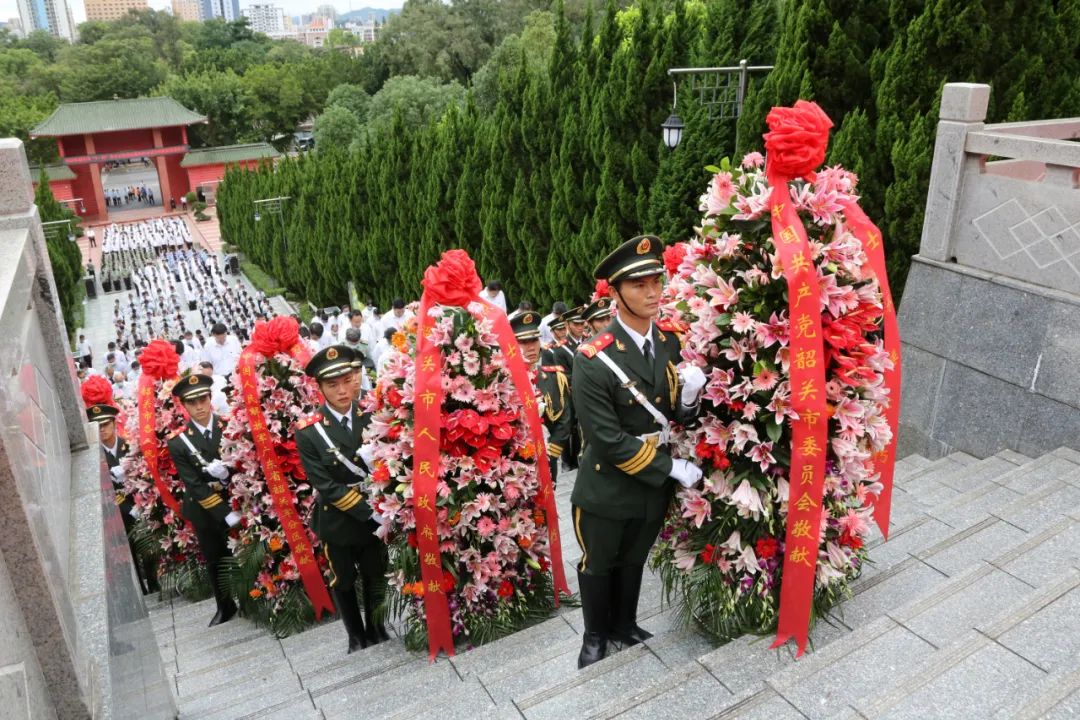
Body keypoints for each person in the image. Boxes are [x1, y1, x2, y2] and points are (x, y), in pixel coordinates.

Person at [570, 235, 708, 669]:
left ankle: (624, 624)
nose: (652, 293)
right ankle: (594, 636)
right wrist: (672, 467)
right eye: (639, 285)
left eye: (656, 281)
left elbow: (675, 418)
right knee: (599, 561)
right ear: (615, 293)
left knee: (635, 556)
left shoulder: (670, 341)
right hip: (609, 485)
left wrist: (689, 397)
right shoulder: (593, 358)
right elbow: (607, 438)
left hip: (652, 486)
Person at [295, 345, 389, 653]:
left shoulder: (374, 414)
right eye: (332, 384)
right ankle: (355, 636)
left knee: (376, 572)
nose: (342, 390)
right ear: (319, 388)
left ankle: (377, 627)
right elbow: (325, 484)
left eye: (348, 380)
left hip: (376, 511)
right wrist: (369, 511)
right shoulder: (309, 432)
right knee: (344, 579)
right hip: (338, 519)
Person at [166, 375, 241, 627]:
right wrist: (222, 512)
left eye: (203, 399)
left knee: (243, 552)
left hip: (236, 499)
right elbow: (193, 484)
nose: (199, 406)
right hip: (204, 508)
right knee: (214, 557)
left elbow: (243, 463)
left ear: (210, 398)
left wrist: (228, 476)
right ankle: (224, 605)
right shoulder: (178, 441)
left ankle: (253, 598)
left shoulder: (230, 425)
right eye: (192, 402)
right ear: (184, 406)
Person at [87, 402, 159, 594]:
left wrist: (138, 501)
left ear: (113, 423)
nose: (102, 430)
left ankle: (154, 582)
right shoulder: (95, 455)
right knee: (126, 551)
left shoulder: (130, 447)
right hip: (116, 511)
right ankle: (139, 588)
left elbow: (144, 476)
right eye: (97, 426)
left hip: (140, 504)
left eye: (105, 424)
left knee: (147, 545)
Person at [510, 311, 572, 485]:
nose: (531, 347)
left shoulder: (552, 377)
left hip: (547, 456)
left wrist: (551, 450)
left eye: (534, 340)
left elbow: (565, 417)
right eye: (523, 342)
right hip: (514, 462)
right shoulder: (505, 382)